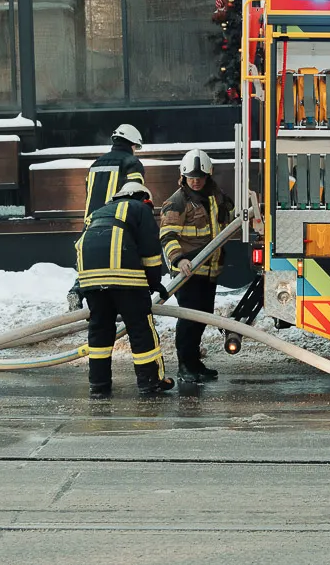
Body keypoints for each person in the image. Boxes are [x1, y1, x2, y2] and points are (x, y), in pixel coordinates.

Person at [74, 180, 174, 397]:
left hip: (91, 280)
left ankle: (99, 386)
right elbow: (150, 251)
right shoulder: (140, 209)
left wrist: (79, 288)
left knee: (100, 331)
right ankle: (151, 382)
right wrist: (154, 282)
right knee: (140, 329)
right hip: (126, 279)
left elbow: (84, 249)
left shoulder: (97, 213)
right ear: (144, 198)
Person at [159, 149, 234, 383]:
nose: (196, 181)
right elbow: (167, 236)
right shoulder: (177, 202)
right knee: (189, 319)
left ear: (208, 175)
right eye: (192, 177)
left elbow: (228, 218)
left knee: (202, 317)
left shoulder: (216, 196)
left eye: (200, 177)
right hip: (188, 272)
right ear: (183, 177)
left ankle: (194, 363)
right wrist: (178, 259)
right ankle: (185, 366)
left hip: (209, 271)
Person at [69, 123, 147, 311]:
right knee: (118, 263)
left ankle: (77, 291)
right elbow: (136, 194)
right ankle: (118, 303)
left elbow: (89, 193)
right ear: (132, 144)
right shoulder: (132, 163)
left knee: (90, 263)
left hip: (90, 222)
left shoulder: (95, 164)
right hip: (117, 221)